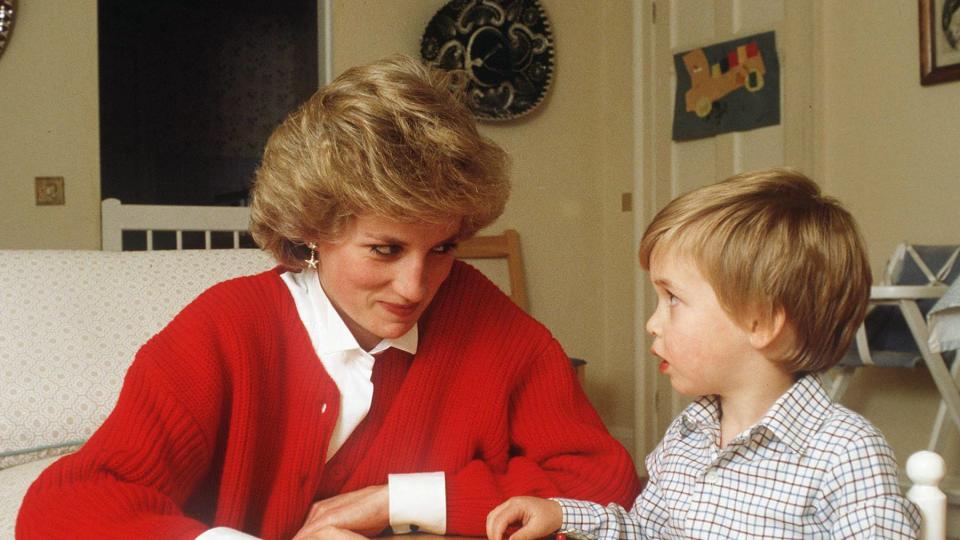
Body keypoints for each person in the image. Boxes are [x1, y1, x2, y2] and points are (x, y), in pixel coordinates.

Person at [17, 55, 640, 540]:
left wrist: (397, 500)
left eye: (444, 248)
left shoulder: (483, 316)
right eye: (385, 250)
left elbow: (603, 481)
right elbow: (64, 507)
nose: (416, 286)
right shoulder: (227, 329)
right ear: (312, 230)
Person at [486, 169, 922, 539]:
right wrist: (565, 514)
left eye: (672, 298)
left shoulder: (843, 453)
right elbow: (646, 532)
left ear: (760, 322)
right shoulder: (688, 435)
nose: (652, 323)